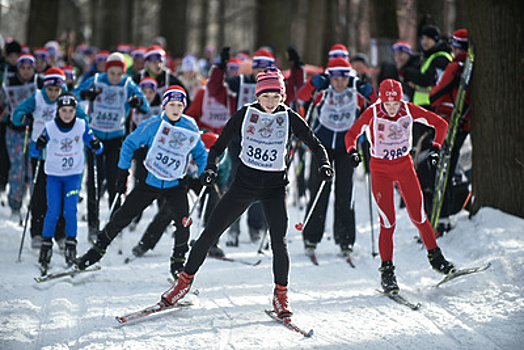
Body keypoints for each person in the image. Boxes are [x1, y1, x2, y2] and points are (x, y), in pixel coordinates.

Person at [156, 67, 332, 319]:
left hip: (273, 189)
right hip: (243, 186)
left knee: (279, 244)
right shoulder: (245, 115)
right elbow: (217, 147)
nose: (271, 102)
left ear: (282, 97)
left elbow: (315, 144)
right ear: (257, 96)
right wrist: (210, 168)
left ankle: (280, 295)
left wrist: (324, 164)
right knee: (208, 235)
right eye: (266, 96)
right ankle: (182, 284)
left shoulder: (290, 117)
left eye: (276, 96)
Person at [75, 86, 207, 279]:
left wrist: (206, 172)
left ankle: (178, 264)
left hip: (175, 184)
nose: (176, 109)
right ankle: (95, 253)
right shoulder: (152, 124)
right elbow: (129, 143)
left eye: (180, 105)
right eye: (172, 104)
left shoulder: (190, 126)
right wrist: (123, 171)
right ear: (164, 105)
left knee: (183, 223)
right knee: (122, 216)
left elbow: (201, 153)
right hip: (150, 180)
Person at [344, 79, 456, 294]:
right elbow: (351, 134)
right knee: (388, 222)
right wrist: (352, 152)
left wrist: (435, 148)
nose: (393, 108)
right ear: (381, 100)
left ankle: (436, 258)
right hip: (380, 170)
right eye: (388, 104)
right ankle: (387, 272)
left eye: (396, 103)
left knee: (419, 217)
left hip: (404, 166)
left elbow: (441, 124)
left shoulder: (408, 109)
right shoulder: (373, 112)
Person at [73, 52, 150, 242]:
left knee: (116, 180)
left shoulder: (127, 84)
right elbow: (72, 95)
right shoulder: (97, 80)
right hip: (95, 136)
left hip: (116, 138)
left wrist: (137, 102)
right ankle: (93, 225)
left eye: (118, 73)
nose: (115, 77)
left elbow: (146, 106)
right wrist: (84, 94)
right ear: (106, 70)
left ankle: (115, 224)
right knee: (94, 181)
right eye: (112, 73)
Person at [12, 68, 88, 249]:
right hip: (41, 156)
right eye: (50, 89)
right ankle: (37, 233)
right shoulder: (37, 98)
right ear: (44, 87)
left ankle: (60, 235)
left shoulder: (66, 102)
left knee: (61, 198)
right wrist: (24, 117)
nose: (53, 94)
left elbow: (84, 118)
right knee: (39, 194)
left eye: (57, 89)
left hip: (62, 157)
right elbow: (17, 115)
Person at [297, 57, 366, 256]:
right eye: (335, 79)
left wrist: (369, 90)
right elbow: (301, 96)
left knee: (345, 193)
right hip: (322, 147)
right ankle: (311, 237)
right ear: (330, 77)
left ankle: (346, 240)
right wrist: (312, 83)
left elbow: (376, 105)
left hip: (346, 148)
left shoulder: (355, 93)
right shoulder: (322, 92)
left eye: (343, 79)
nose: (339, 83)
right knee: (319, 190)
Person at [34, 92, 102, 272]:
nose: (67, 114)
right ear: (58, 111)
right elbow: (35, 151)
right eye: (63, 110)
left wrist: (95, 143)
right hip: (54, 177)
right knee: (53, 211)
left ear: (75, 111)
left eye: (71, 110)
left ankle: (71, 247)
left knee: (70, 210)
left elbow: (95, 143)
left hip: (73, 177)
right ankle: (46, 247)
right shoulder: (50, 127)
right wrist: (39, 144)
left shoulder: (81, 125)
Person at [429, 29, 472, 233]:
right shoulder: (471, 66)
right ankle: (445, 217)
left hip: (450, 122)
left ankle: (441, 219)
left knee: (443, 170)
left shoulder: (455, 67)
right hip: (466, 124)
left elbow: (435, 95)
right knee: (450, 167)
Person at [3, 53, 42, 221]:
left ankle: (34, 203)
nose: (26, 72)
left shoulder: (39, 83)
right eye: (23, 68)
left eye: (29, 68)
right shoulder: (9, 81)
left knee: (32, 168)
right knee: (17, 168)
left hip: (35, 132)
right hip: (15, 131)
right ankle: (15, 204)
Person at [403, 25, 452, 109]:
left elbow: (427, 80)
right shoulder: (429, 56)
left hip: (431, 104)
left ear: (435, 40)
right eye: (422, 38)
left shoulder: (441, 58)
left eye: (428, 39)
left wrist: (408, 73)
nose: (424, 42)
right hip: (423, 104)